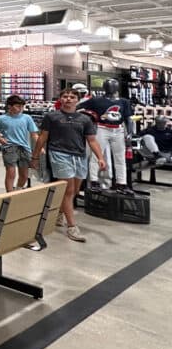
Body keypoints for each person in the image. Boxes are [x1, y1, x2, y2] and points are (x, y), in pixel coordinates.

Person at [31, 87, 106, 243]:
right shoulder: (52, 117)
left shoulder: (84, 119)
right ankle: (72, 227)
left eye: (72, 97)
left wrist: (100, 157)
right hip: (59, 155)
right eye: (65, 96)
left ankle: (59, 213)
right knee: (68, 190)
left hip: (79, 157)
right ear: (60, 99)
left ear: (77, 100)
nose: (69, 99)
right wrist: (36, 156)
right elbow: (42, 137)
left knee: (74, 191)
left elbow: (91, 140)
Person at [78, 78, 133, 193]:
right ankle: (94, 181)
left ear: (117, 87)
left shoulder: (124, 101)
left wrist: (129, 133)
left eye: (113, 85)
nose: (110, 88)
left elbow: (128, 119)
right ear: (104, 87)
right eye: (108, 85)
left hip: (118, 130)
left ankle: (121, 183)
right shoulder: (96, 100)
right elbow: (78, 106)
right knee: (96, 155)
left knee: (120, 157)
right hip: (102, 128)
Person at [0, 95, 39, 192]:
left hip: (24, 147)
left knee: (24, 175)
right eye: (18, 106)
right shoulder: (1, 119)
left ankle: (18, 190)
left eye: (22, 106)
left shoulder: (27, 118)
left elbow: (34, 134)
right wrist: (0, 139)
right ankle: (9, 194)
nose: (20, 108)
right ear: (9, 106)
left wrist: (40, 146)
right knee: (11, 172)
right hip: (9, 147)